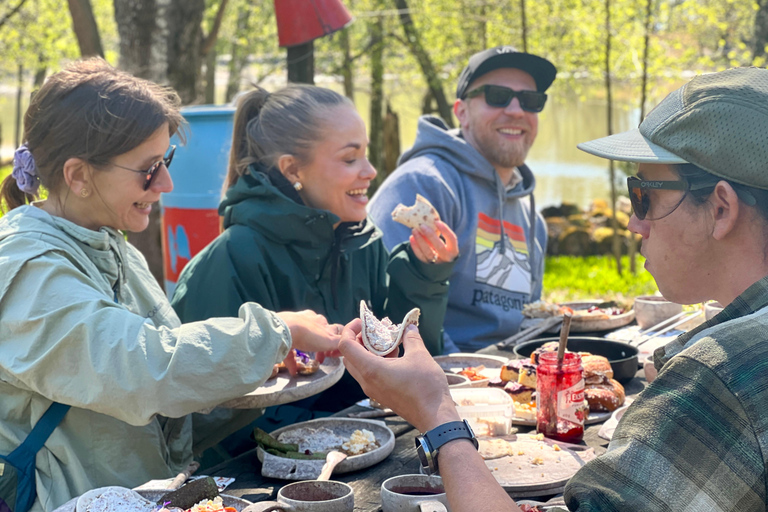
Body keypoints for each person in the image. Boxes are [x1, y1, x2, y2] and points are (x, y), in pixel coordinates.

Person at [342, 66, 768, 512]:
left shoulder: (720, 377)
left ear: (721, 208)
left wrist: (437, 415)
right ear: (460, 110)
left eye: (643, 196)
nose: (632, 222)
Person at [0, 58, 340, 512]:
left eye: (167, 160)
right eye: (147, 168)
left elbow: (163, 411)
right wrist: (274, 332)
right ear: (78, 175)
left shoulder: (117, 249)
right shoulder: (26, 269)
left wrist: (261, 372)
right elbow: (144, 371)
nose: (166, 182)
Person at [170, 85, 458, 414]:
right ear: (293, 169)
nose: (371, 171)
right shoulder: (227, 263)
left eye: (366, 153)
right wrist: (335, 436)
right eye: (350, 159)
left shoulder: (366, 242)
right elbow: (210, 411)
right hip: (257, 462)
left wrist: (423, 276)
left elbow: (407, 363)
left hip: (373, 446)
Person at [368, 46, 556, 353]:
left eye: (531, 101)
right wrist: (469, 377)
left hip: (513, 374)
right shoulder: (422, 186)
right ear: (461, 112)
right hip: (441, 376)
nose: (516, 110)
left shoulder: (533, 219)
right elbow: (385, 310)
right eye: (497, 96)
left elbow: (529, 321)